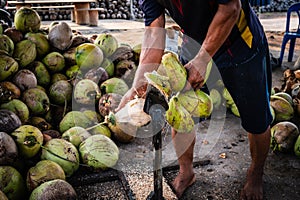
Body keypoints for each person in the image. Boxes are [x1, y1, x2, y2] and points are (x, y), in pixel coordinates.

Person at [116, 0, 273, 199]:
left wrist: (203, 59)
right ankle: (186, 172)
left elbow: (231, 8)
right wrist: (137, 87)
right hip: (195, 42)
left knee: (256, 119)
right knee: (180, 112)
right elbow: (154, 34)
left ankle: (256, 174)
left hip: (238, 43)